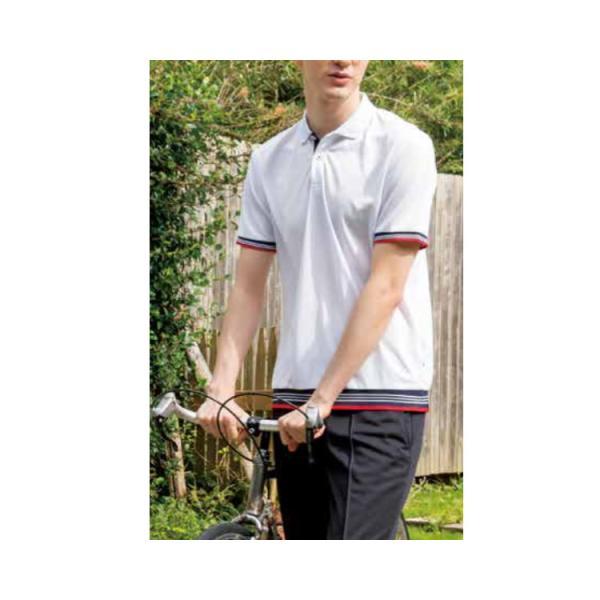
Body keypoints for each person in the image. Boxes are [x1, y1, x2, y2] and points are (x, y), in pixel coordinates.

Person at [197, 60, 438, 539]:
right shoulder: (269, 159)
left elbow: (386, 285)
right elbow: (247, 286)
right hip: (294, 403)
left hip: (379, 397)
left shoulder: (402, 146)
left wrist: (323, 399)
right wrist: (220, 386)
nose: (342, 58)